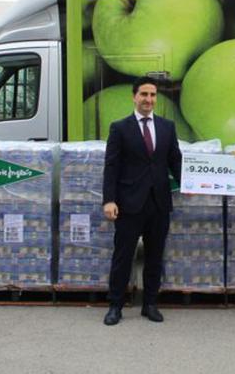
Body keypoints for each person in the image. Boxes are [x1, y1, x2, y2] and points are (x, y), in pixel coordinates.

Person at [102, 76, 182, 326]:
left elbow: (175, 161)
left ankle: (150, 304)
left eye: (153, 95)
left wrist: (193, 183)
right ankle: (115, 306)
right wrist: (109, 200)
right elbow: (111, 167)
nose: (149, 99)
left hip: (158, 203)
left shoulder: (167, 127)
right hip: (128, 203)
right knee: (123, 256)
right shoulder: (119, 128)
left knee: (155, 257)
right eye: (144, 94)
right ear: (134, 97)